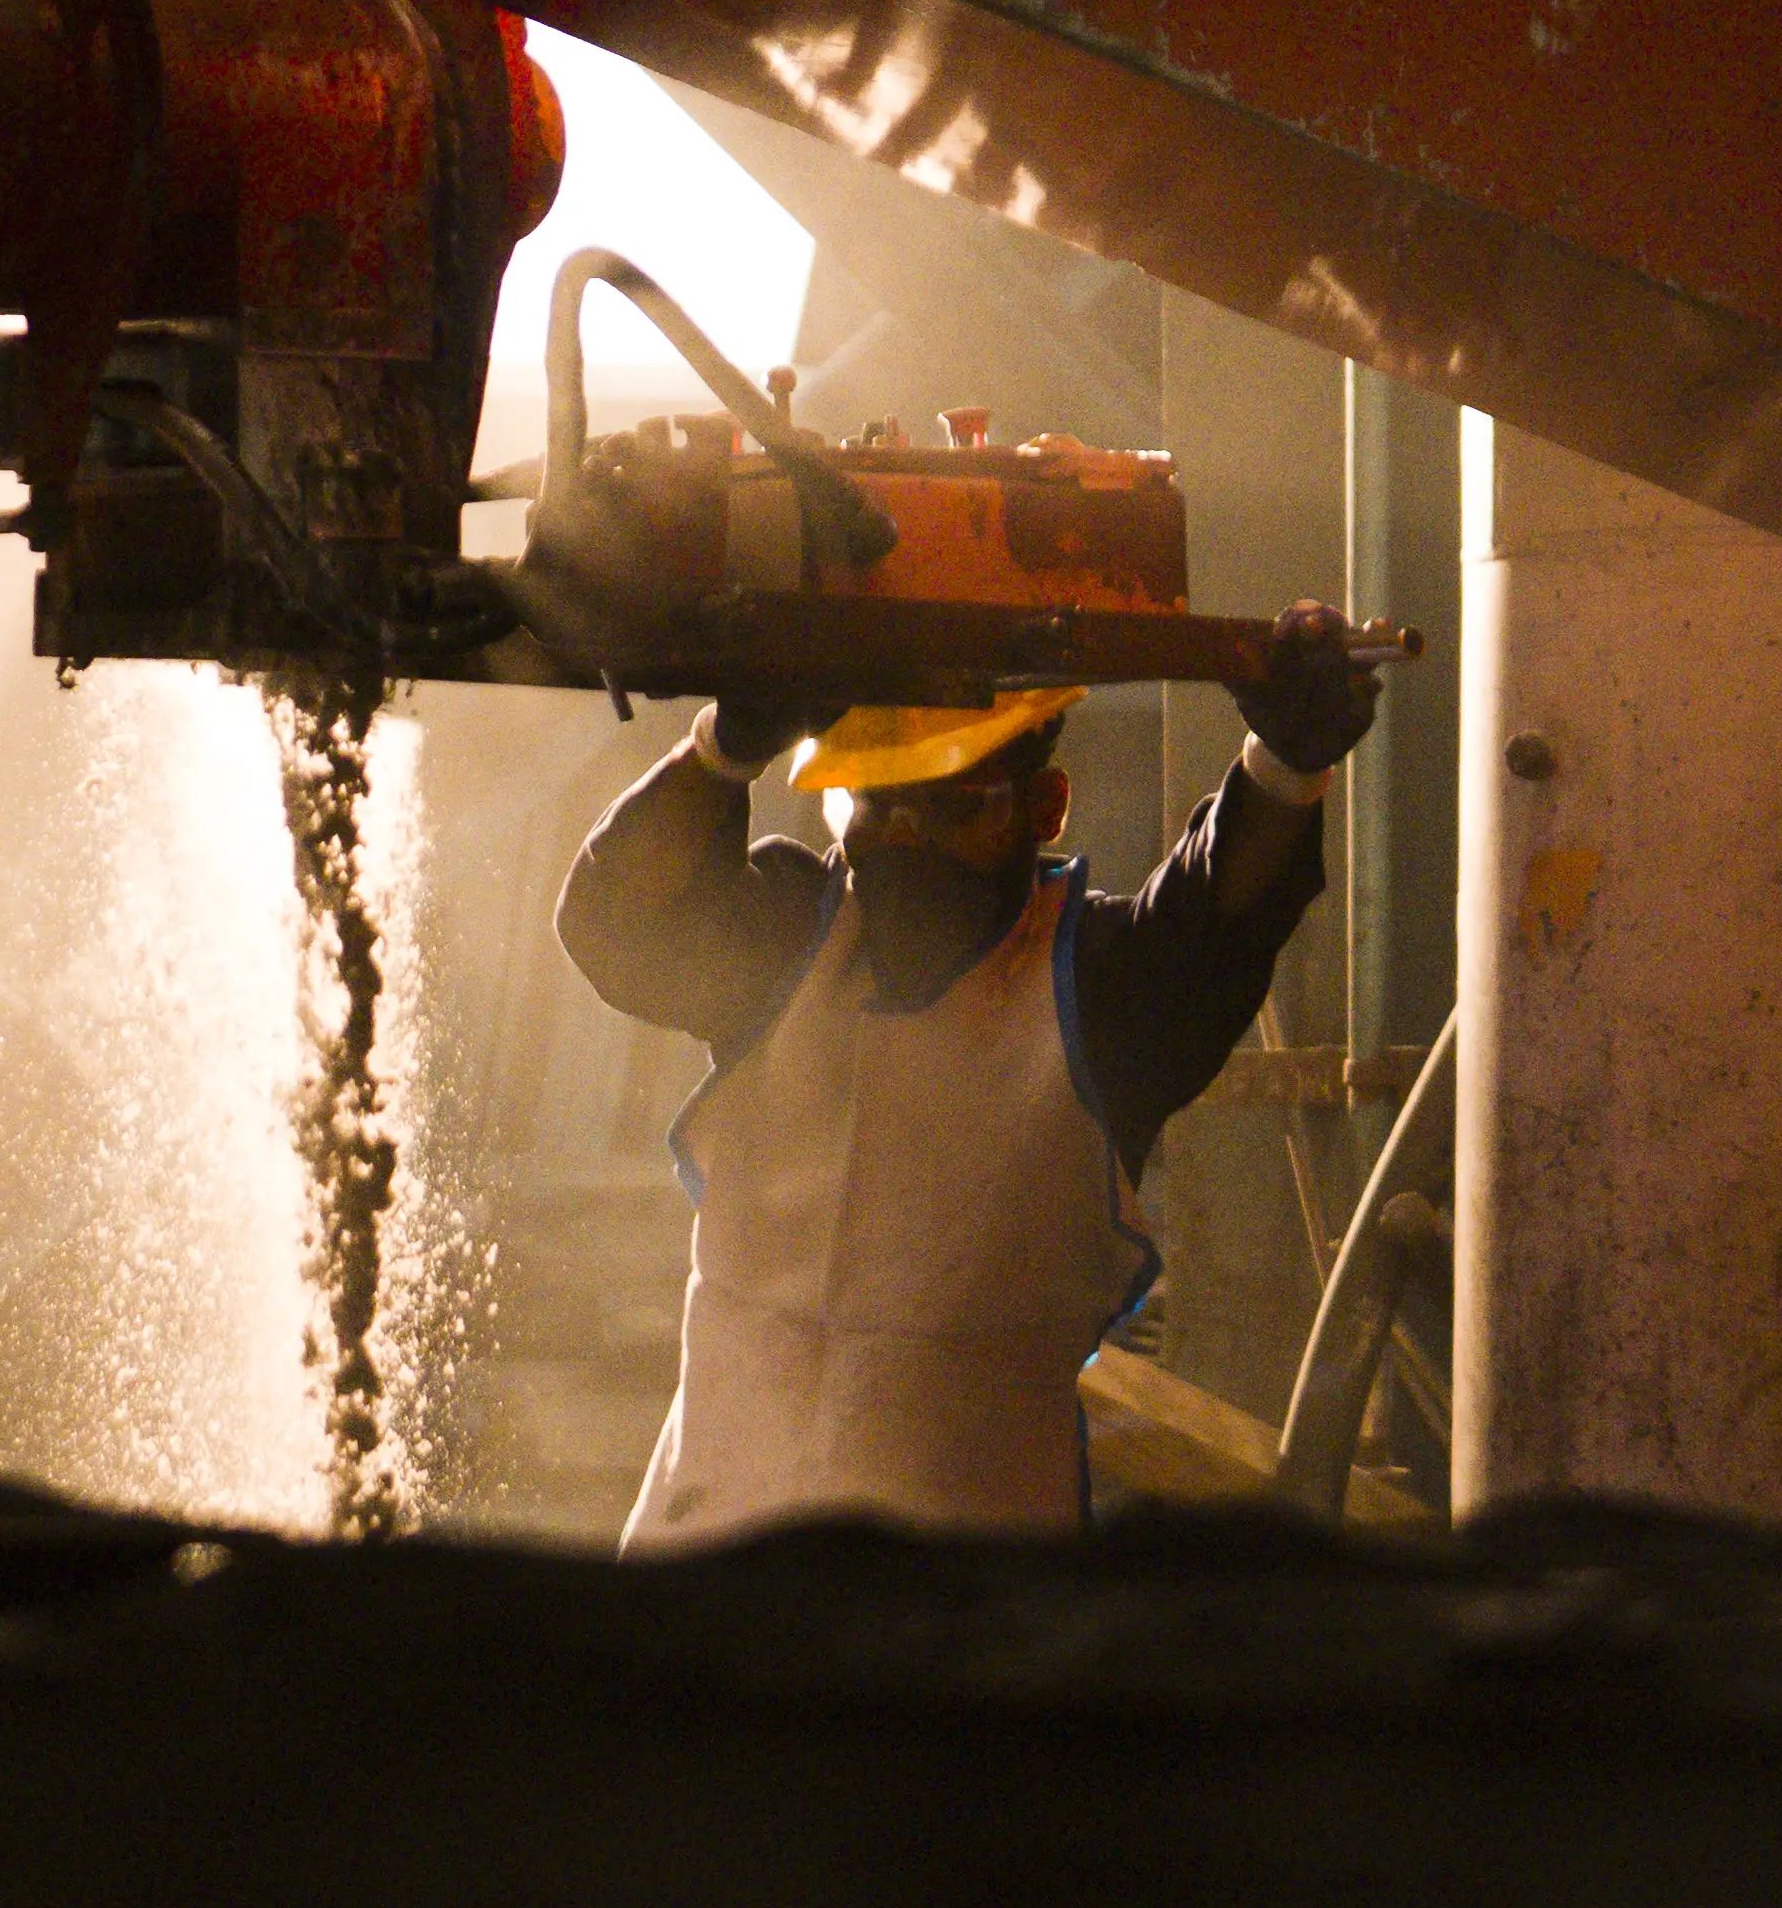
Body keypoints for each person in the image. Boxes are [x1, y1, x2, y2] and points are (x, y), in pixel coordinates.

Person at [560, 609, 1385, 1544]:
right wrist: (725, 748)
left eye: (953, 809)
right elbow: (613, 924)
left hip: (964, 1614)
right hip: (712, 1566)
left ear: (1046, 809)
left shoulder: (1103, 997)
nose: (905, 838)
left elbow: (1222, 917)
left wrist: (1283, 768)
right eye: (875, 805)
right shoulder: (787, 943)